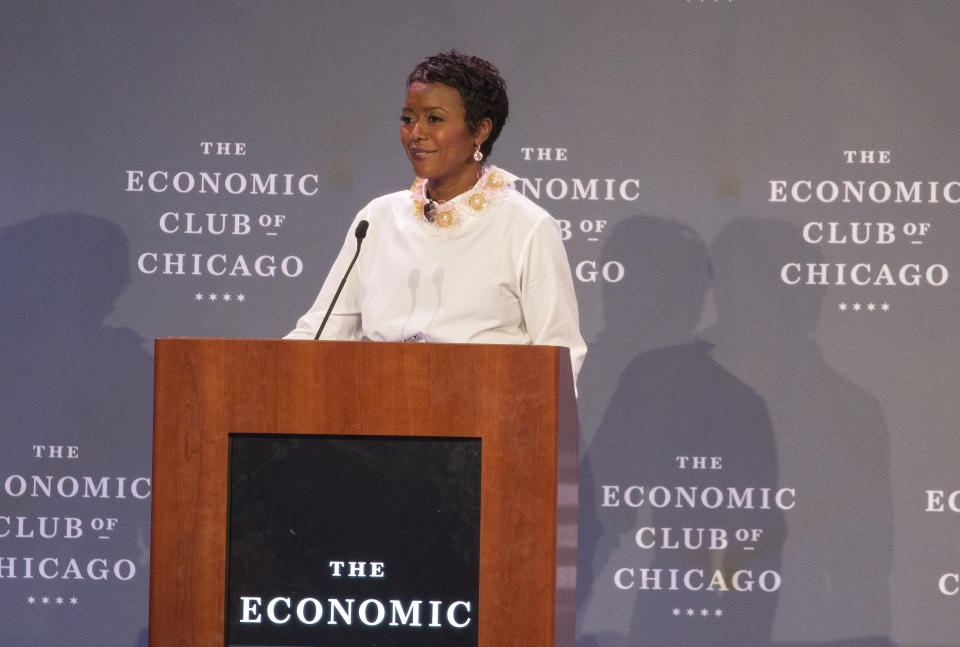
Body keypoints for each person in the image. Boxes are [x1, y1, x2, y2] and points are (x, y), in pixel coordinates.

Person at [285, 50, 586, 383]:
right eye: (408, 119)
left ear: (480, 130)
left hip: (487, 422)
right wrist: (262, 373)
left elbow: (560, 356)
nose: (416, 133)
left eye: (434, 119)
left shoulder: (527, 227)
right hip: (375, 417)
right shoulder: (377, 219)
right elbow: (321, 334)